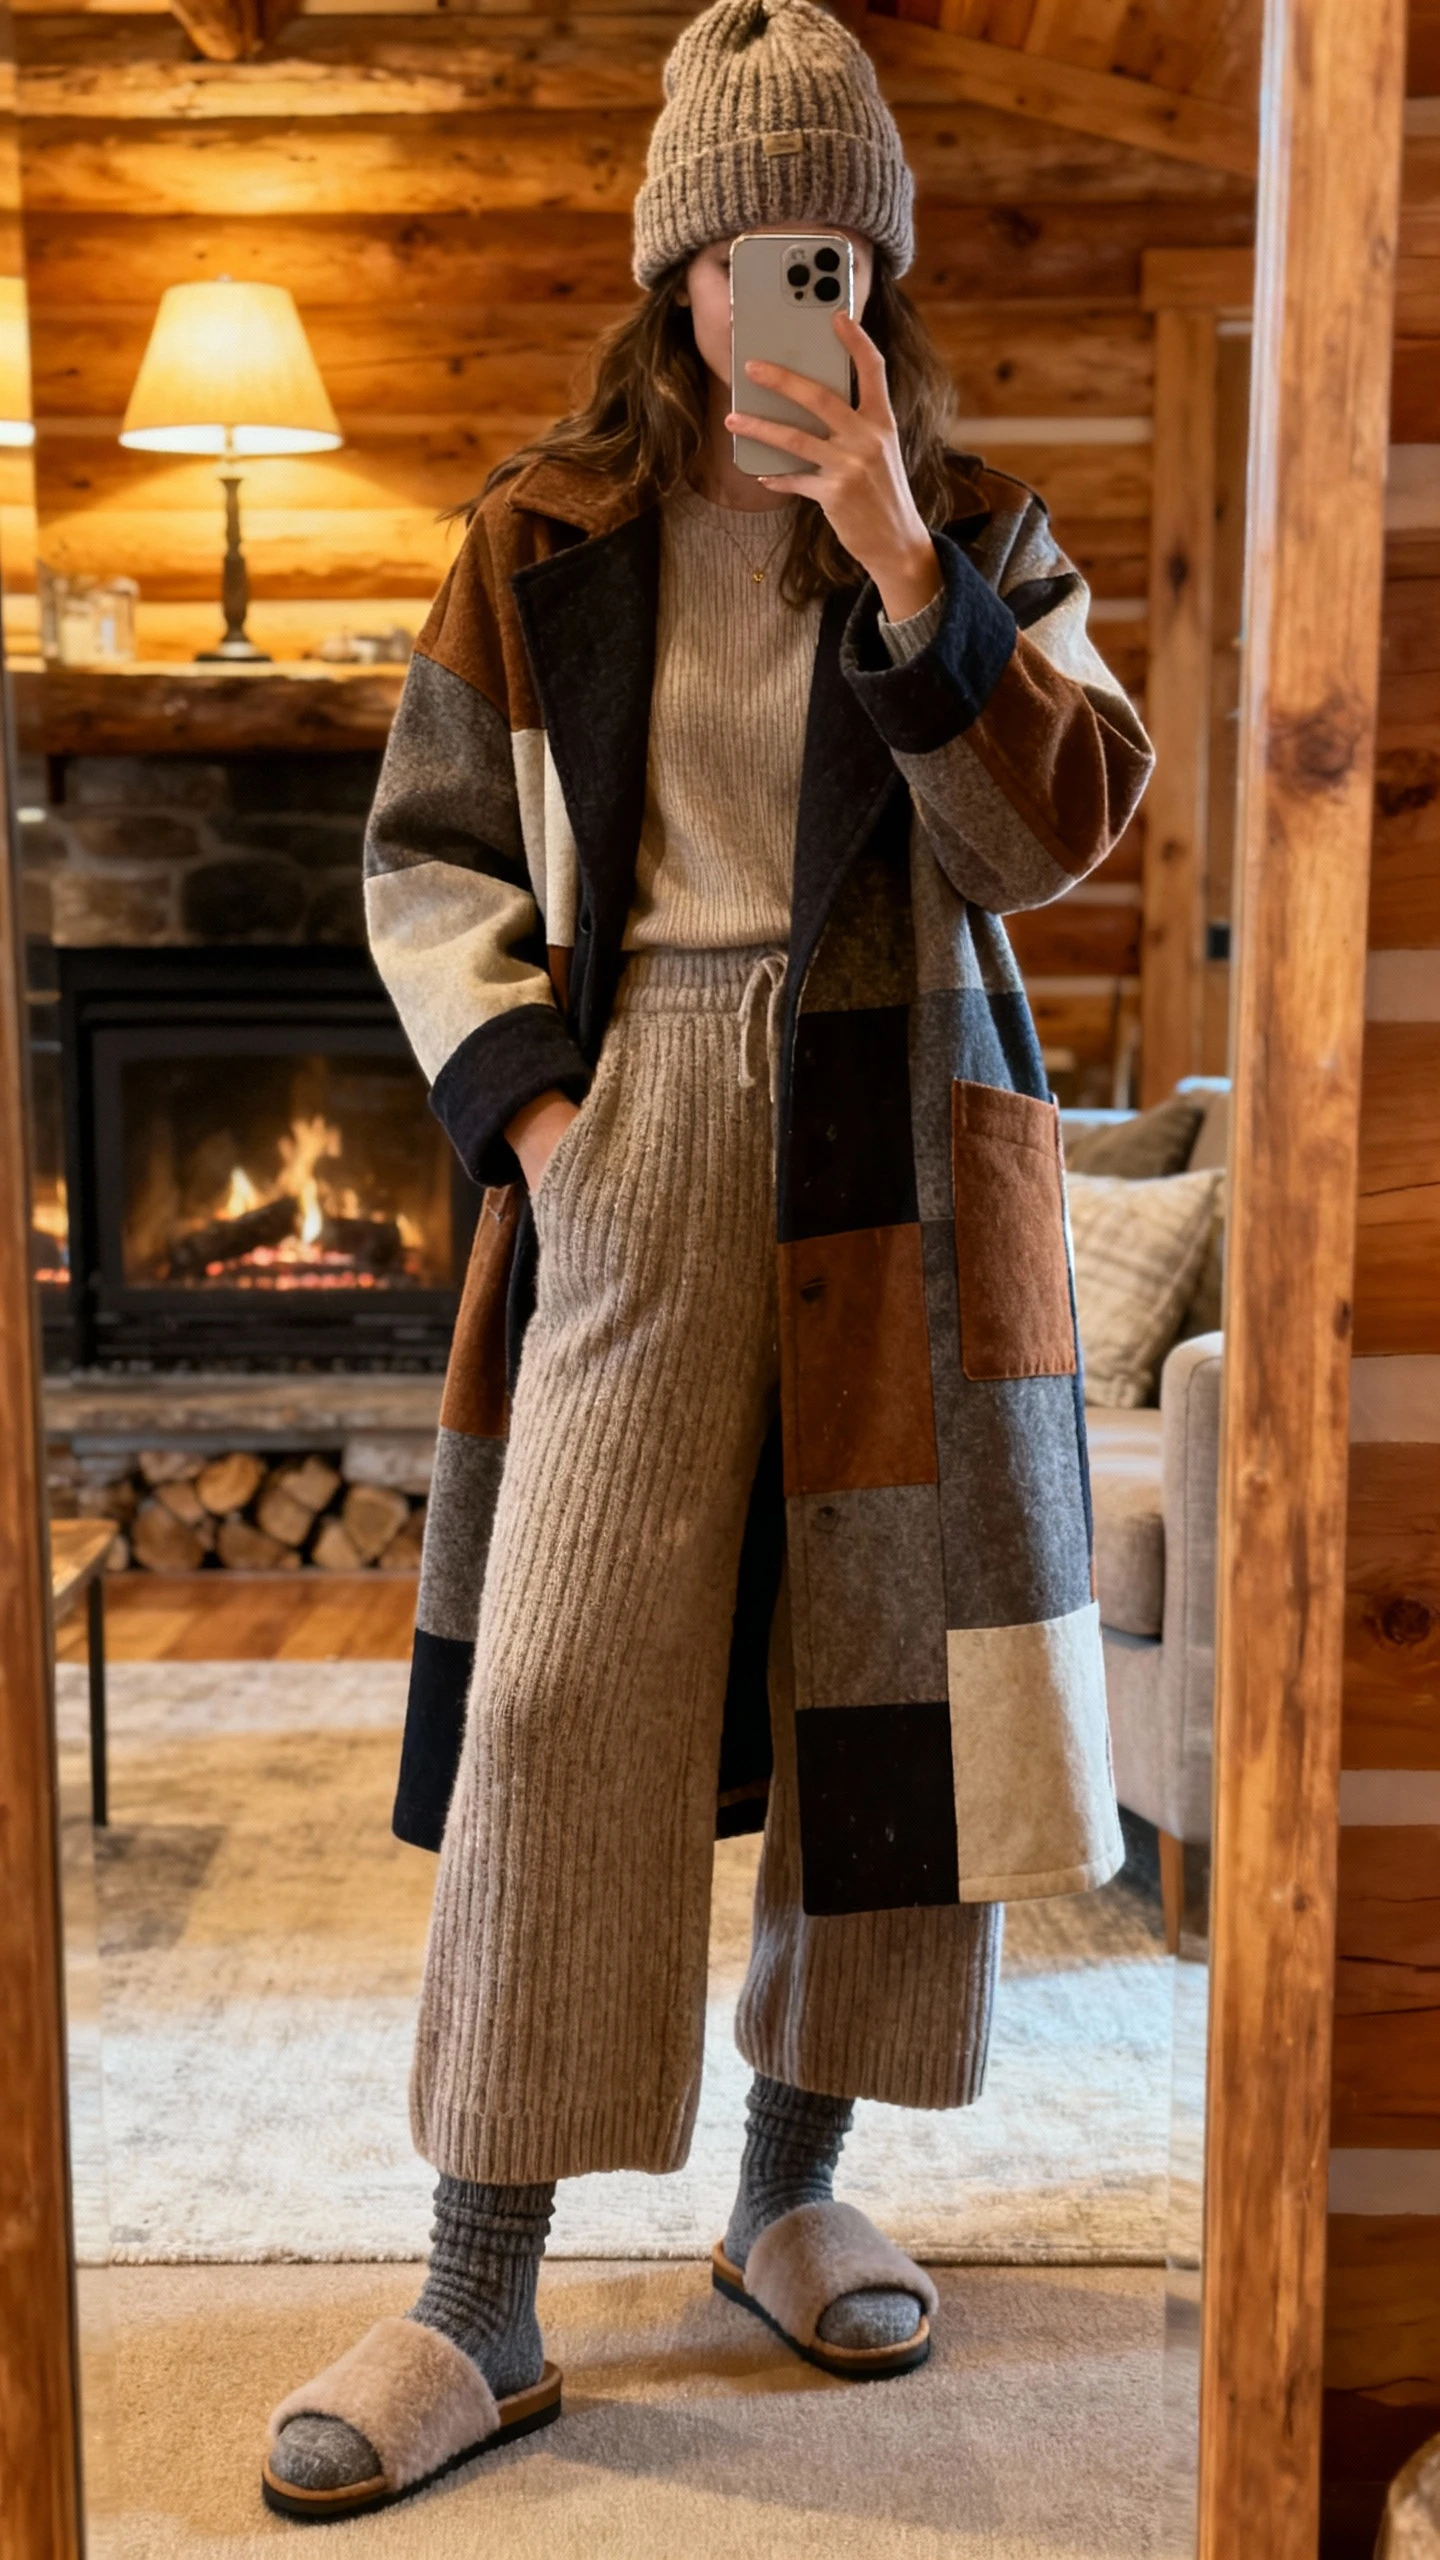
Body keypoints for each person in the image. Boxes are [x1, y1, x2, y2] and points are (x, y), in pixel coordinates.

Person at [262, 0, 1154, 2519]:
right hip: (630, 1117)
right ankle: (478, 2286)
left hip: (904, 1121)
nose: (811, 291)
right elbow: (425, 855)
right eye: (768, 252)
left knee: (885, 1687)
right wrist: (539, 1113)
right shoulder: (540, 539)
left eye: (846, 251)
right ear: (680, 279)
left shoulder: (979, 530)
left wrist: (894, 558)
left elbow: (1048, 832)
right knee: (566, 1689)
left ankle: (789, 2183)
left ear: (879, 273)